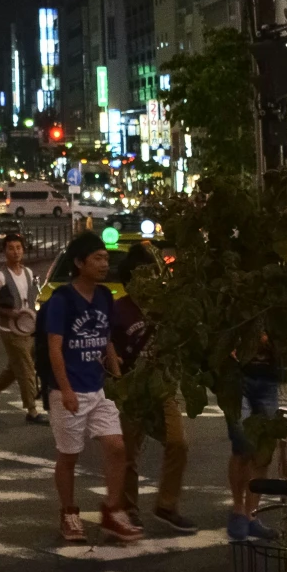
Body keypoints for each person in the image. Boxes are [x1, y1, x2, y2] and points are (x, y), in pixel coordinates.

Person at [42, 231, 143, 545]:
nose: (104, 264)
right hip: (68, 392)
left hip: (98, 390)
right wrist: (66, 389)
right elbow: (54, 348)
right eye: (97, 258)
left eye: (105, 258)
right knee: (69, 457)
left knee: (117, 447)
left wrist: (116, 374)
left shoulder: (104, 297)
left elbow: (106, 339)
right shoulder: (62, 301)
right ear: (79, 262)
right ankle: (69, 512)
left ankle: (112, 511)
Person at [109, 241, 194, 533]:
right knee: (129, 454)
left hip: (161, 386)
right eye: (142, 275)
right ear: (130, 279)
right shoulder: (118, 309)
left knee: (178, 442)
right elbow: (106, 348)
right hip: (132, 390)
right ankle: (128, 509)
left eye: (152, 274)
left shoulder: (163, 307)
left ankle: (166, 505)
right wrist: (117, 371)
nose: (149, 280)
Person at [0, 231, 45, 423]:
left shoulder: (29, 273)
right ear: (4, 251)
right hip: (10, 331)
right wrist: (7, 313)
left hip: (27, 329)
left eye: (18, 248)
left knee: (15, 368)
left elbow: (31, 299)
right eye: (11, 248)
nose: (15, 252)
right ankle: (32, 411)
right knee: (27, 368)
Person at [225, 340, 284, 541]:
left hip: (268, 377)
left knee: (263, 450)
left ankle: (251, 515)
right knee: (242, 444)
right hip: (238, 377)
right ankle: (238, 510)